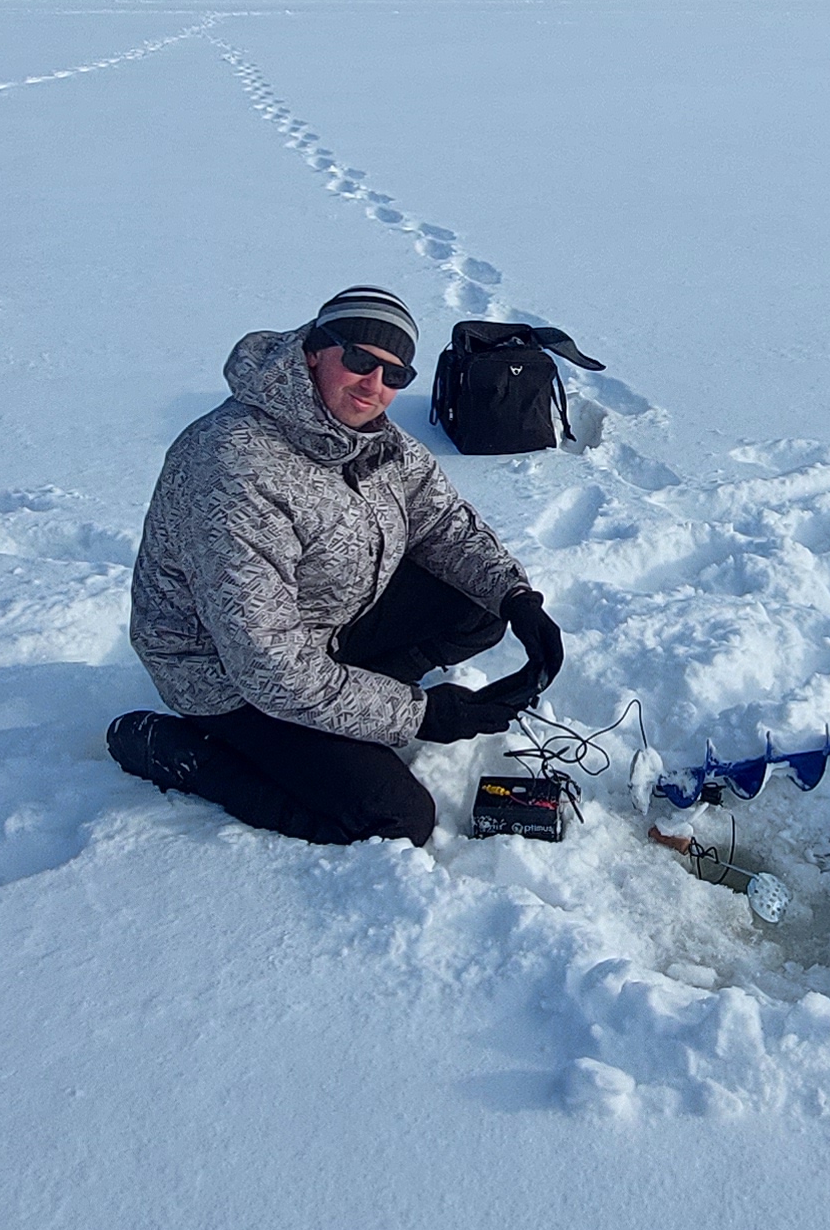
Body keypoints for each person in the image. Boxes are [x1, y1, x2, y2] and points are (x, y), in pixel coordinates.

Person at [108, 284, 564, 845]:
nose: (374, 386)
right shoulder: (232, 464)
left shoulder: (368, 436)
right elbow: (267, 665)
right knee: (395, 820)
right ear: (313, 351)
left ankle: (348, 709)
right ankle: (185, 754)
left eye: (395, 375)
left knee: (478, 604)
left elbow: (441, 522)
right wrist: (418, 715)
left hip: (325, 627)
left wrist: (518, 599)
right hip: (224, 677)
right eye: (359, 360)